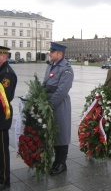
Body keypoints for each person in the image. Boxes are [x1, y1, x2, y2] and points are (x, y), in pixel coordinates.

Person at [43, 42, 74, 176]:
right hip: (49, 103)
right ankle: (57, 161)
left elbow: (62, 91)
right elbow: (45, 84)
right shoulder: (51, 66)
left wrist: (50, 105)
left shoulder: (66, 69)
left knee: (61, 133)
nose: (50, 53)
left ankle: (62, 163)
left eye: (52, 51)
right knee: (54, 133)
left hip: (59, 105)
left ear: (60, 54)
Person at [0, 47, 17, 190]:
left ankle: (5, 179)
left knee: (2, 149)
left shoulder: (7, 74)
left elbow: (5, 97)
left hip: (1, 116)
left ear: (3, 56)